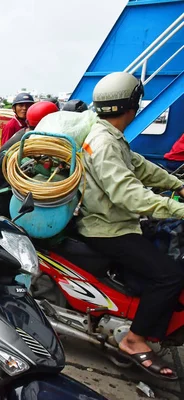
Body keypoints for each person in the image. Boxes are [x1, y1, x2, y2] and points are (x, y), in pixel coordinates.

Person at [77, 72, 184, 380]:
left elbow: (140, 166)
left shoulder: (108, 136)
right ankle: (134, 339)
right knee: (170, 276)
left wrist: (177, 185)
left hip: (116, 223)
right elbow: (127, 192)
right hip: (108, 230)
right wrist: (176, 208)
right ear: (133, 106)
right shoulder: (104, 142)